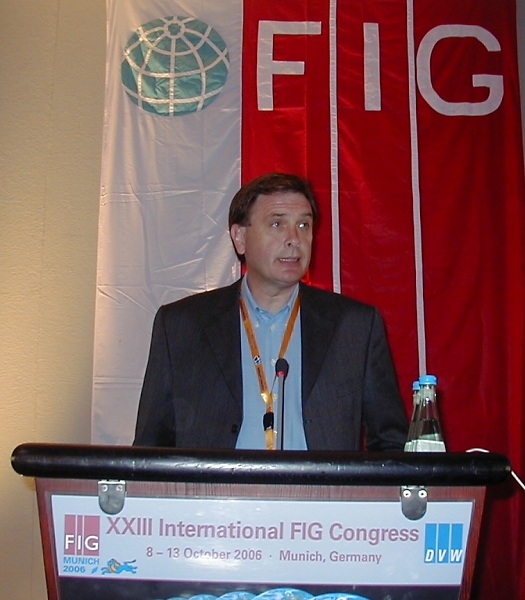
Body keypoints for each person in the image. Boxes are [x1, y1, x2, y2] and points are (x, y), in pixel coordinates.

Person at [133, 172, 407, 451]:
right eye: (277, 224)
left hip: (320, 481)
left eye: (304, 225)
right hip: (219, 481)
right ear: (240, 237)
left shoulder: (354, 327)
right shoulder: (182, 326)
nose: (294, 239)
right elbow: (150, 448)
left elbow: (391, 444)